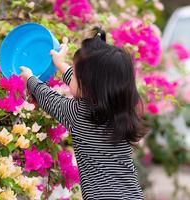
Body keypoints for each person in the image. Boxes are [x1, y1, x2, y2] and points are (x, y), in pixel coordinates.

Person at [20, 26, 147, 200]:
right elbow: (83, 83)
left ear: (88, 85)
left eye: (74, 74)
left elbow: (47, 98)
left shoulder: (78, 114)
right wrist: (60, 64)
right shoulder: (121, 110)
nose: (71, 76)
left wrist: (30, 79)